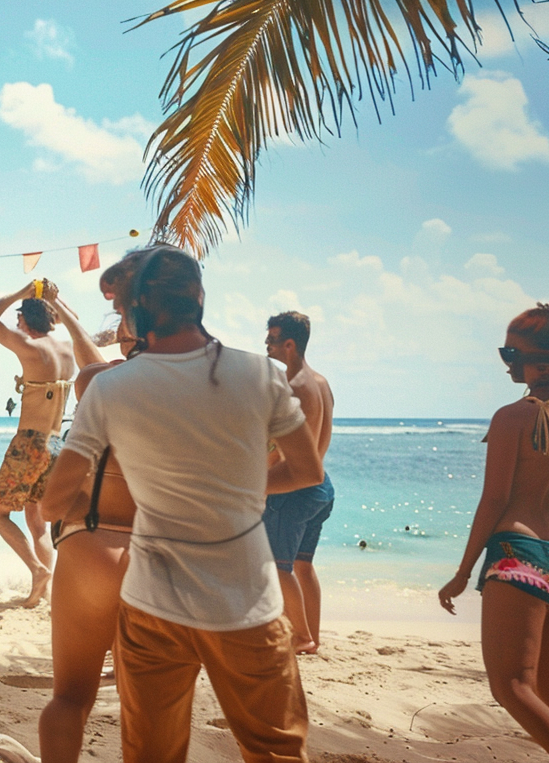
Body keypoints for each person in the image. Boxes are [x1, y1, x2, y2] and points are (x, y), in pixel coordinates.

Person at [42, 245, 324, 763]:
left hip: (155, 602)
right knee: (275, 748)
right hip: (245, 594)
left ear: (134, 311)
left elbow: (52, 502)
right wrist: (237, 491)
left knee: (152, 753)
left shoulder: (110, 388)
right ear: (198, 296)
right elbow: (307, 471)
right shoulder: (262, 375)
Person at [36, 253, 145, 763]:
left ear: (127, 328)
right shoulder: (204, 390)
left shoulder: (99, 383)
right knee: (145, 706)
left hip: (96, 541)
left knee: (69, 697)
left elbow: (89, 363)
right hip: (158, 553)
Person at [439, 303, 549, 752]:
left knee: (512, 688)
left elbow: (495, 500)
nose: (506, 363)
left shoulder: (512, 417)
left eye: (511, 353)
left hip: (517, 553)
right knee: (543, 692)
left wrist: (463, 571)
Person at [0, 279, 106, 606]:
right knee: (37, 521)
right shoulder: (66, 347)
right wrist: (53, 300)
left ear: (23, 320)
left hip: (29, 443)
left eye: (19, 318)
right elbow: (71, 320)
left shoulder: (29, 347)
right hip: (55, 445)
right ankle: (42, 591)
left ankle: (37, 569)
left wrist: (23, 292)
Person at [263, 311, 336, 654]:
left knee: (277, 566)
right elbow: (320, 438)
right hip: (321, 486)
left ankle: (301, 636)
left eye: (272, 338)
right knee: (303, 566)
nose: (266, 343)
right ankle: (313, 638)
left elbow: (281, 450)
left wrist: (254, 480)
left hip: (293, 490)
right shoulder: (320, 382)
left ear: (289, 345)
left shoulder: (293, 387)